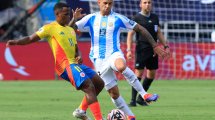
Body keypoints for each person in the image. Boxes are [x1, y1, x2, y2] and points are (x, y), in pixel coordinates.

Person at [70, 0, 169, 119]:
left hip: (114, 53)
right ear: (99, 3)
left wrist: (154, 45)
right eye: (105, 3)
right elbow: (70, 30)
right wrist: (73, 20)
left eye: (110, 3)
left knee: (121, 66)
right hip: (99, 60)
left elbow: (141, 29)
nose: (107, 6)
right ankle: (131, 117)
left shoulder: (118, 18)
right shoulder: (91, 18)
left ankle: (144, 94)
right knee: (114, 93)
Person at [6, 2, 104, 120]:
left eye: (69, 14)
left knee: (99, 83)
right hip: (65, 66)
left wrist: (79, 56)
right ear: (57, 14)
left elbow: (76, 50)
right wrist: (16, 42)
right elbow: (30, 38)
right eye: (65, 14)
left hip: (75, 64)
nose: (68, 16)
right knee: (89, 86)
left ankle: (81, 111)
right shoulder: (50, 28)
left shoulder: (70, 30)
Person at [127, 0, 171, 107]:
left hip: (154, 50)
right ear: (140, 4)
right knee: (138, 74)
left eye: (149, 2)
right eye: (145, 2)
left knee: (151, 74)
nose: (147, 4)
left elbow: (159, 32)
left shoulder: (155, 17)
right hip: (141, 49)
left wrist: (165, 46)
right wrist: (128, 50)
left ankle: (141, 98)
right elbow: (130, 34)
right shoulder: (137, 17)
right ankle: (133, 100)